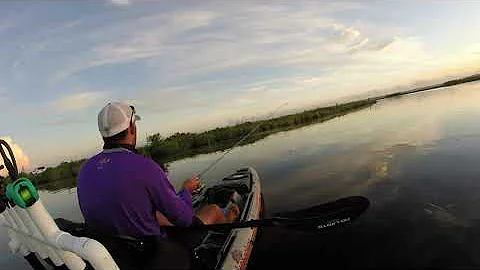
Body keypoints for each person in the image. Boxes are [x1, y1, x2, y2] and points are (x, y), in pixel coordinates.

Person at [77, 102, 239, 268]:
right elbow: (184, 219)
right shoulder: (145, 166)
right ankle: (227, 222)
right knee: (213, 210)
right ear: (132, 128)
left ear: (103, 135)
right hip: (152, 256)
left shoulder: (84, 170)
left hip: (115, 256)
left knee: (157, 215)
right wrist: (186, 191)